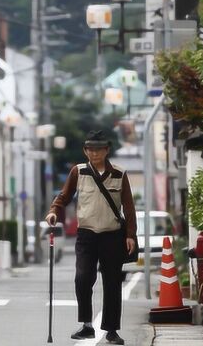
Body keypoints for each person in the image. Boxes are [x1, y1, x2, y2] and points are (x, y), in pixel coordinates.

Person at [45, 130, 137, 345]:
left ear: (107, 150)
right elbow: (64, 196)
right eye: (90, 150)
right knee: (83, 278)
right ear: (85, 151)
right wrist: (53, 212)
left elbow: (129, 208)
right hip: (86, 235)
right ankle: (87, 325)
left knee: (112, 283)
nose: (94, 154)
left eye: (98, 149)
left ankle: (112, 330)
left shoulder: (119, 174)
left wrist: (130, 235)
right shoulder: (78, 171)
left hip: (112, 235)